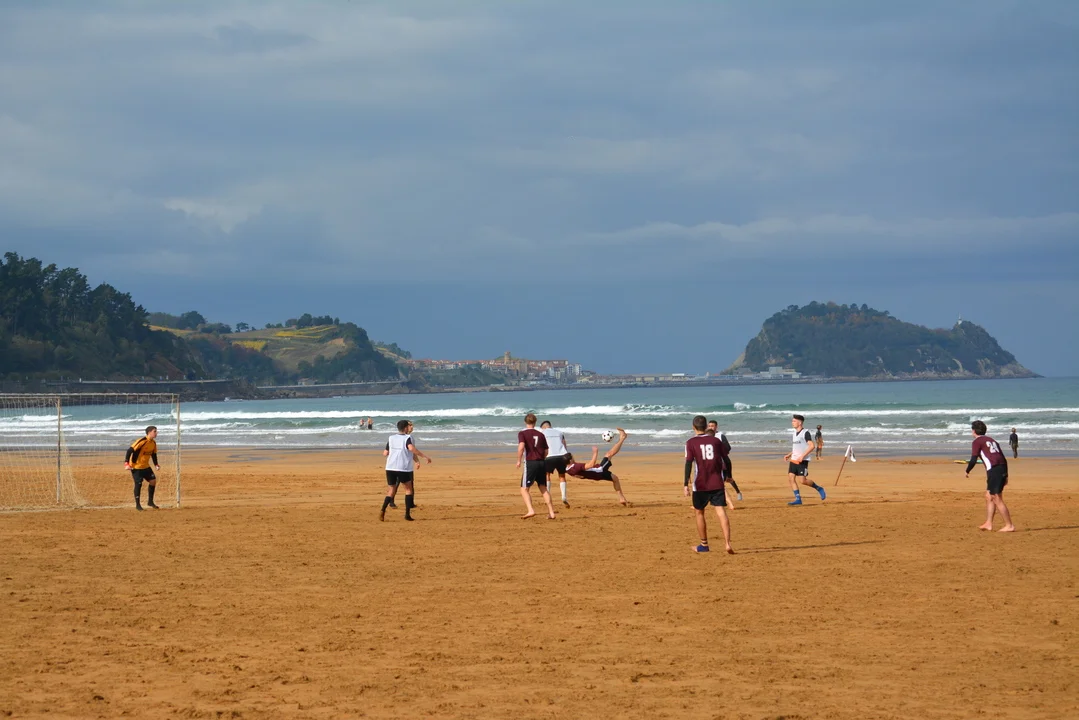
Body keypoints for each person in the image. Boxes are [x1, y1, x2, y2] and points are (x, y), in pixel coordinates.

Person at [684, 415, 733, 554]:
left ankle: (704, 545)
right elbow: (727, 460)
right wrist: (729, 475)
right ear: (706, 427)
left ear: (693, 427)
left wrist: (685, 483)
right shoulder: (716, 441)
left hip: (700, 484)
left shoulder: (690, 442)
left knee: (699, 512)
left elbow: (688, 463)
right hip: (716, 482)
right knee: (721, 511)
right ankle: (727, 543)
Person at [966, 420, 1014, 532]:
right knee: (988, 496)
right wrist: (1006, 474)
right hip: (1000, 468)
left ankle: (1009, 525)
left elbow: (973, 459)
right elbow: (1003, 458)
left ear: (973, 431)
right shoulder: (992, 440)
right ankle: (988, 523)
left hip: (994, 470)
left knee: (997, 498)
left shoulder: (977, 441)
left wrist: (967, 470)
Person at [380, 420, 432, 521]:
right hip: (403, 468)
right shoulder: (408, 438)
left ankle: (382, 510)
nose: (410, 427)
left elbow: (385, 453)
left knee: (391, 490)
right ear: (405, 428)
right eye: (409, 426)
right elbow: (411, 449)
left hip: (390, 467)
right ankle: (407, 515)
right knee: (408, 490)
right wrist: (424, 456)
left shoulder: (391, 438)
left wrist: (396, 452)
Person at [563, 428, 630, 506]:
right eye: (572, 457)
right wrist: (595, 452)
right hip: (599, 470)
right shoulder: (576, 466)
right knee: (609, 454)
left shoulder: (568, 470)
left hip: (595, 475)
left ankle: (622, 498)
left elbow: (581, 475)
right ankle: (623, 437)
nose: (574, 458)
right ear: (570, 460)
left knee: (615, 479)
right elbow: (591, 465)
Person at [517, 413, 555, 519]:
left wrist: (518, 460)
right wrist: (541, 459)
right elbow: (546, 451)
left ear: (525, 422)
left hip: (530, 462)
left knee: (524, 489)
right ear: (535, 422)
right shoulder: (541, 434)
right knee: (543, 488)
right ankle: (551, 512)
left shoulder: (522, 433)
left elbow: (521, 447)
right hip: (542, 462)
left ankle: (530, 510)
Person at [785, 414, 826, 506]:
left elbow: (812, 446)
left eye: (794, 421)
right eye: (792, 421)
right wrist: (789, 454)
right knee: (791, 478)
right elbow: (797, 447)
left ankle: (819, 488)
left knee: (803, 481)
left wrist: (802, 456)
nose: (792, 422)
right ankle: (798, 499)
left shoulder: (805, 433)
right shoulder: (794, 433)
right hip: (794, 459)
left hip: (802, 461)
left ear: (800, 423)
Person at [124, 425, 161, 511]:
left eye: (156, 431)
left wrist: (156, 464)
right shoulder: (142, 441)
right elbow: (129, 450)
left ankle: (150, 502)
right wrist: (126, 463)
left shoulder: (153, 443)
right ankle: (138, 505)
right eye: (155, 431)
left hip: (146, 466)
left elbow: (153, 454)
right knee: (139, 484)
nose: (156, 433)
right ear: (149, 432)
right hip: (136, 466)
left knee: (153, 481)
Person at [706, 420, 742, 503]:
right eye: (709, 426)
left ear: (716, 427)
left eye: (712, 426)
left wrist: (721, 453)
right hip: (712, 461)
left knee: (728, 478)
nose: (711, 427)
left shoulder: (720, 435)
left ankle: (738, 492)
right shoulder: (706, 435)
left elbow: (728, 447)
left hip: (722, 460)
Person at [540, 420, 572, 506]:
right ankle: (564, 496)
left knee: (547, 475)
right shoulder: (559, 432)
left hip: (549, 456)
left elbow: (541, 446)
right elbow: (564, 445)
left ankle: (547, 495)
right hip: (561, 455)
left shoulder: (542, 433)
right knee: (562, 476)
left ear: (544, 427)